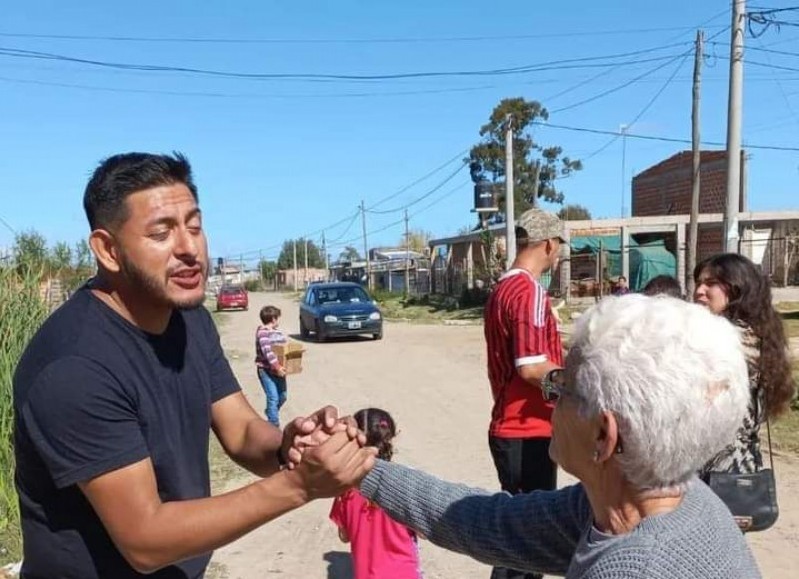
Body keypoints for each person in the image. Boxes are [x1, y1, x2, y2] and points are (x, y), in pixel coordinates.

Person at [13, 152, 376, 579]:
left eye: (195, 227)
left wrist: (289, 448)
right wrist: (297, 486)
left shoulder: (189, 319)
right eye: (161, 232)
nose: (189, 248)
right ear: (107, 250)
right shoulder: (75, 366)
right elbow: (145, 542)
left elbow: (239, 430)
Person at [356, 295, 761, 577]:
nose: (551, 401)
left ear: (604, 436)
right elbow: (487, 522)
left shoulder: (630, 567)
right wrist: (361, 468)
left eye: (562, 388)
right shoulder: (661, 497)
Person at [483, 208, 565, 579]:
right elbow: (531, 367)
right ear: (548, 244)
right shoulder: (529, 290)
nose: (560, 253)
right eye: (560, 245)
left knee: (520, 539)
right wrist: (577, 385)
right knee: (528, 544)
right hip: (527, 430)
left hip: (510, 427)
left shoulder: (503, 288)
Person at [693, 253, 796, 479]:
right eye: (698, 283)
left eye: (710, 284)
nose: (699, 290)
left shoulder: (728, 340)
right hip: (742, 466)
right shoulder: (759, 334)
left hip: (719, 473)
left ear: (738, 289)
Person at [329, 408, 422, 579]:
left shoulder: (345, 489)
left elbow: (345, 536)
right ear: (390, 438)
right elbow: (423, 531)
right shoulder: (404, 481)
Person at [256, 305, 289, 427]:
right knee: (273, 397)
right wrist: (277, 367)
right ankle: (273, 425)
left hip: (279, 370)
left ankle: (270, 412)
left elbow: (284, 349)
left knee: (283, 396)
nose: (278, 321)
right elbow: (268, 352)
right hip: (266, 370)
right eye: (278, 318)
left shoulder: (278, 333)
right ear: (273, 319)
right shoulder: (262, 333)